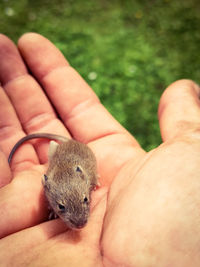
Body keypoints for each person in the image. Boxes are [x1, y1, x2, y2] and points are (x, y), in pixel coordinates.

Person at [0, 33, 200, 267]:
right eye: (62, 208)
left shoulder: (82, 177)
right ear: (47, 188)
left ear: (84, 180)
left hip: (77, 159)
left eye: (86, 201)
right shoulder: (51, 186)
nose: (80, 220)